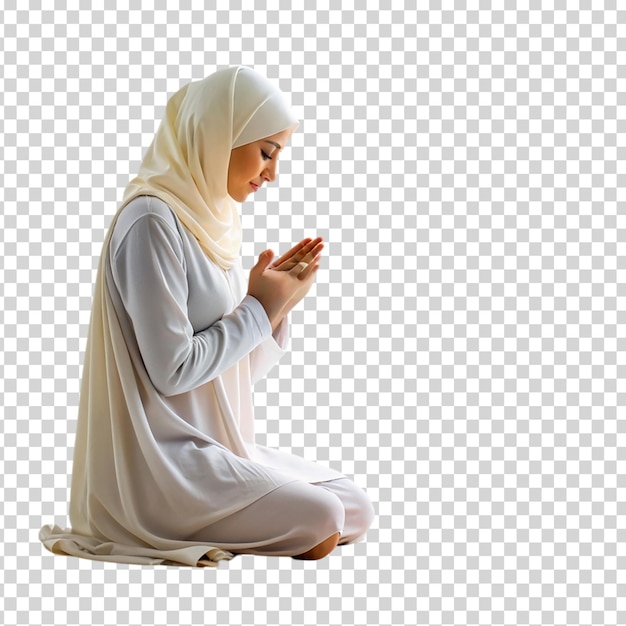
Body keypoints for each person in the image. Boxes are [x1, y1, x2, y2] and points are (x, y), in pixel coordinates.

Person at [40, 66, 374, 566]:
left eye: (279, 154)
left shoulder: (209, 221)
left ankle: (263, 518)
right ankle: (238, 520)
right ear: (220, 133)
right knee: (324, 514)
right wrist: (256, 308)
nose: (272, 173)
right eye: (266, 151)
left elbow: (230, 376)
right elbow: (173, 373)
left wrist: (277, 307)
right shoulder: (151, 220)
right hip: (162, 467)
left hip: (218, 447)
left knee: (355, 507)